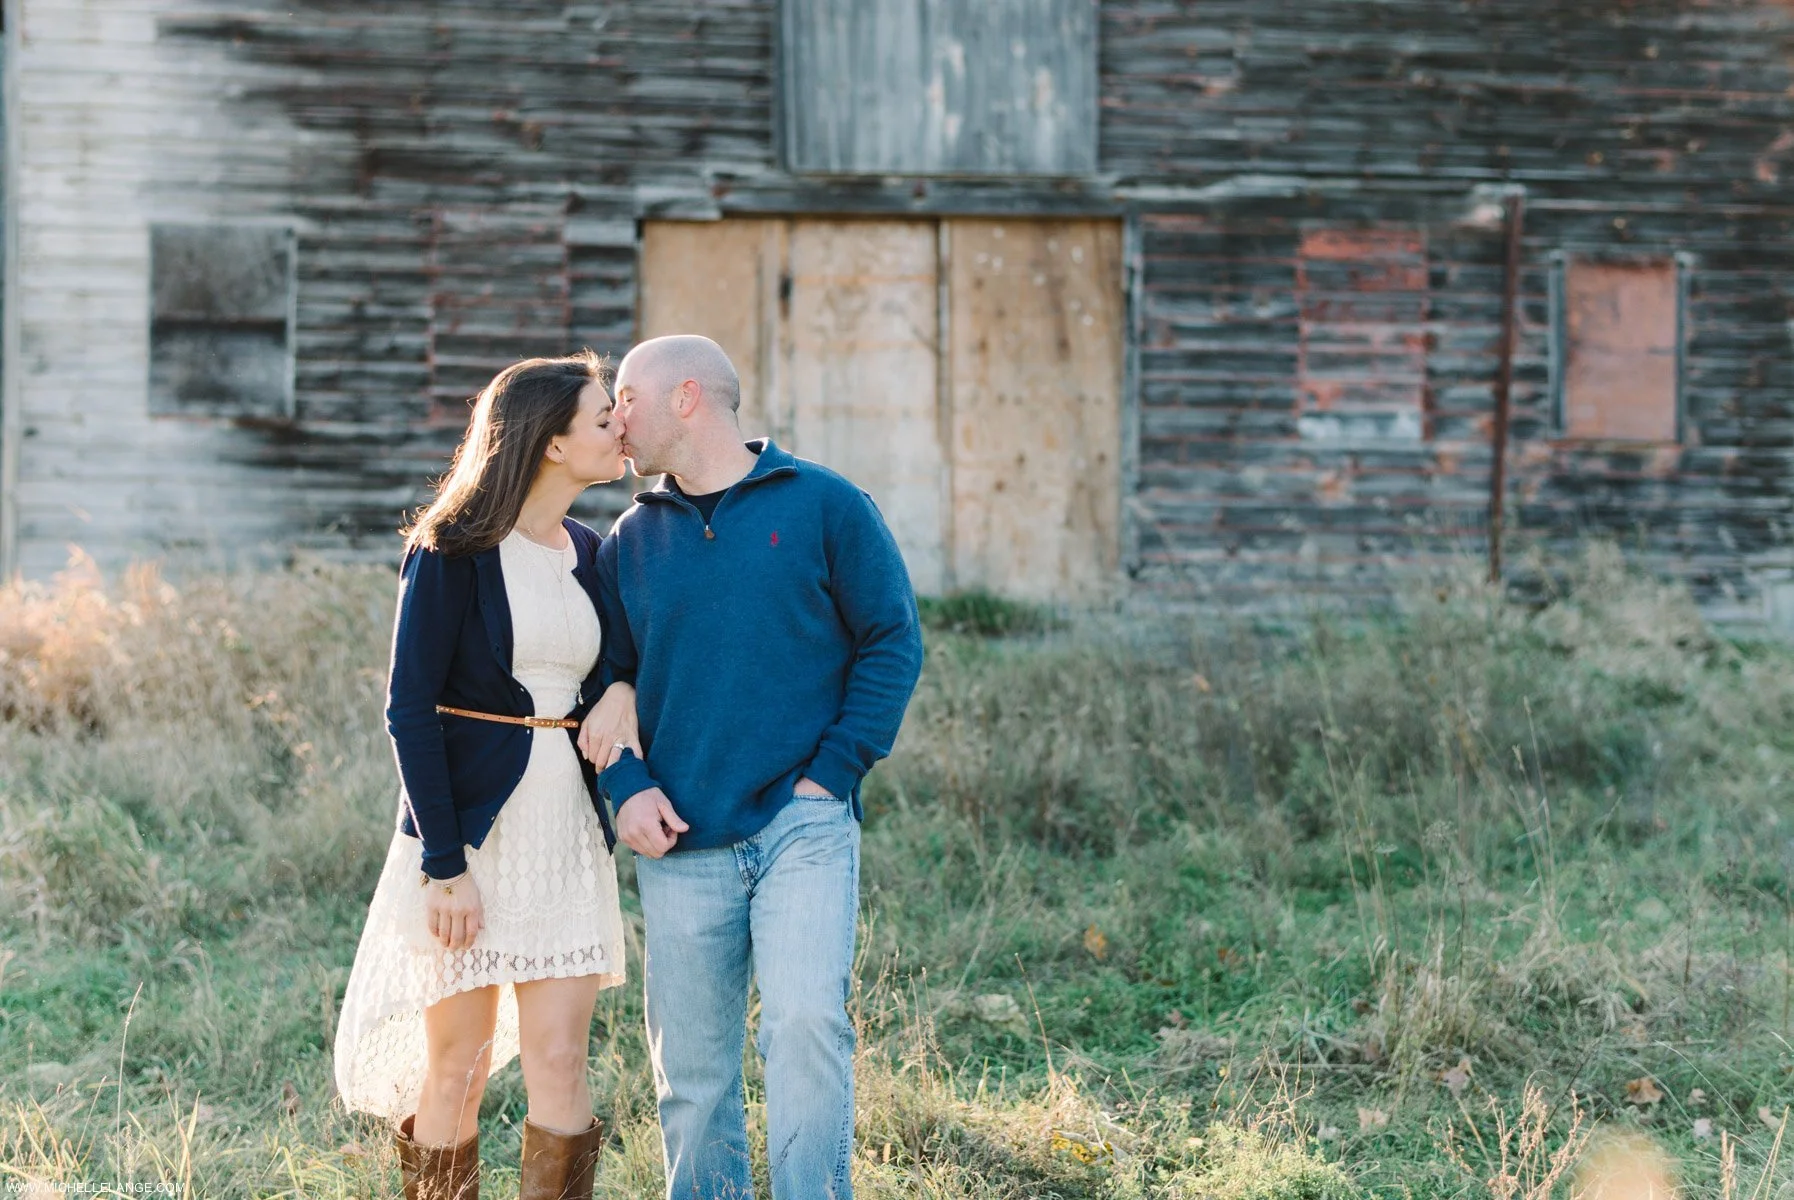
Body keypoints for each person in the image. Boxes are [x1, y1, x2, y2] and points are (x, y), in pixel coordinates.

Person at [576, 334, 925, 1200]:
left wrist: (834, 773)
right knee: (692, 1076)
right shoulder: (630, 540)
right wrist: (627, 788)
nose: (615, 418)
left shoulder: (827, 506)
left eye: (626, 396)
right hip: (680, 837)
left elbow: (892, 640)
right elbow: (605, 680)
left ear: (686, 397)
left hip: (801, 823)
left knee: (806, 1027)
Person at [332, 349, 640, 1200]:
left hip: (568, 838)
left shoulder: (593, 548)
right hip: (469, 841)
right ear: (550, 442)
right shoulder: (453, 549)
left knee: (559, 1062)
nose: (622, 428)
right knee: (458, 1070)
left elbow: (621, 660)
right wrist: (445, 865)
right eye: (605, 417)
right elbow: (409, 709)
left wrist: (620, 687)